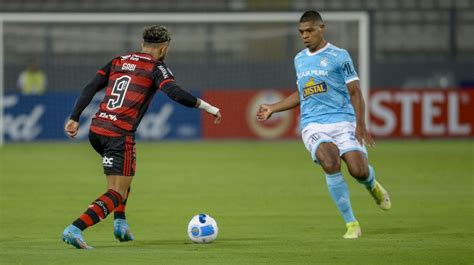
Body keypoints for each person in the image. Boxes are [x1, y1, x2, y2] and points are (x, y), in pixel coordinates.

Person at [62, 25, 222, 249]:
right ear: (164, 48)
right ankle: (75, 228)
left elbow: (91, 87)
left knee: (127, 173)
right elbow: (174, 93)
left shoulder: (118, 60)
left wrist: (75, 117)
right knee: (116, 192)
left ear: (142, 44)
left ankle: (120, 223)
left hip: (97, 129)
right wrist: (208, 107)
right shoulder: (157, 68)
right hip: (119, 134)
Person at [257, 10, 390, 239]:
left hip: (343, 120)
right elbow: (303, 93)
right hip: (313, 124)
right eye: (301, 32)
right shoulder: (299, 59)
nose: (305, 36)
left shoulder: (340, 56)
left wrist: (361, 125)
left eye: (309, 31)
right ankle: (352, 224)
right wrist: (273, 108)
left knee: (358, 170)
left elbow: (355, 92)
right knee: (330, 162)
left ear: (321, 29)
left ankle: (371, 184)